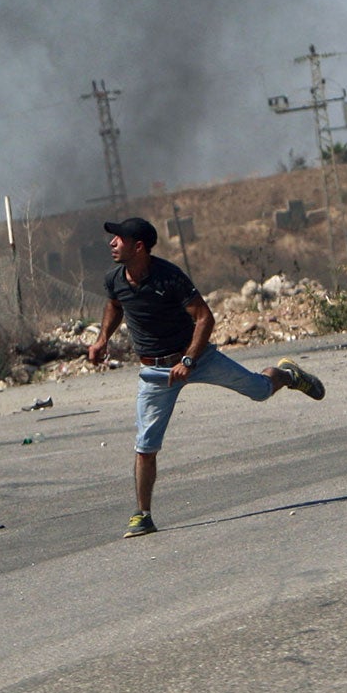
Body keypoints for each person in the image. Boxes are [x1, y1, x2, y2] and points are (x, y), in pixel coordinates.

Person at [87, 216, 324, 537]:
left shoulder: (169, 277)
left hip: (197, 358)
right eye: (112, 239)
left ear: (138, 246)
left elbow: (204, 317)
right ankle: (142, 514)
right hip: (155, 373)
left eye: (118, 239)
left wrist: (188, 359)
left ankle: (286, 374)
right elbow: (115, 305)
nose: (112, 244)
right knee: (145, 446)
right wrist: (102, 338)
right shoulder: (115, 279)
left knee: (259, 390)